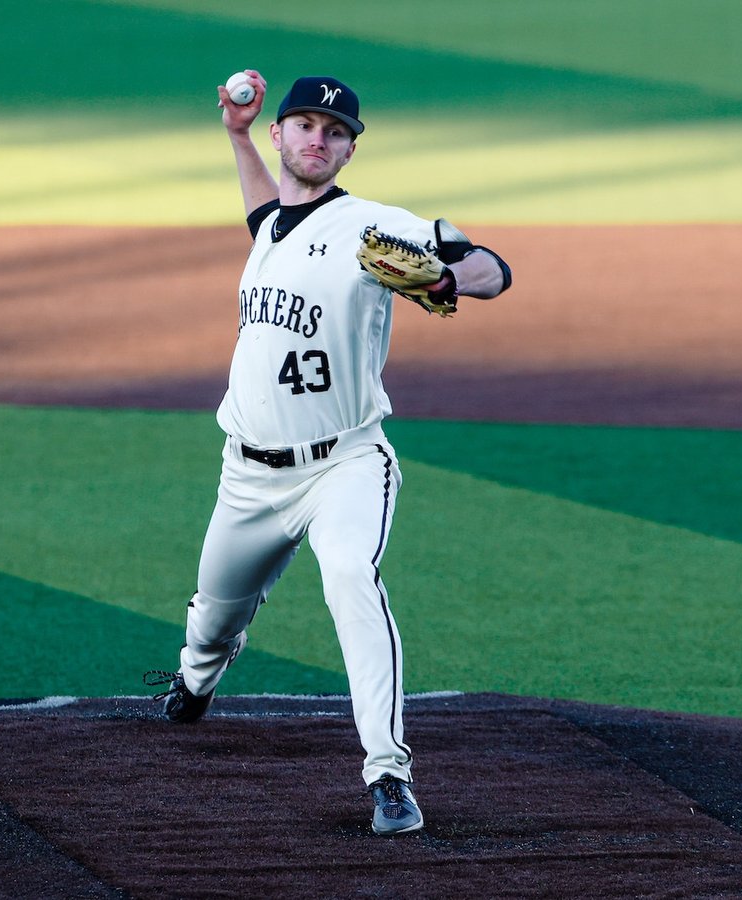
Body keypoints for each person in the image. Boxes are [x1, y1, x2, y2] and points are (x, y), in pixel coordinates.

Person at [144, 71, 512, 836]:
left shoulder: (375, 226)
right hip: (246, 476)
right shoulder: (275, 222)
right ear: (282, 136)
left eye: (335, 132)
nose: (319, 139)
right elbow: (265, 213)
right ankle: (195, 682)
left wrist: (448, 275)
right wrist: (235, 135)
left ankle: (389, 776)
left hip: (343, 463)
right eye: (305, 126)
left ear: (350, 149)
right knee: (212, 620)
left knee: (350, 575)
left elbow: (492, 269)